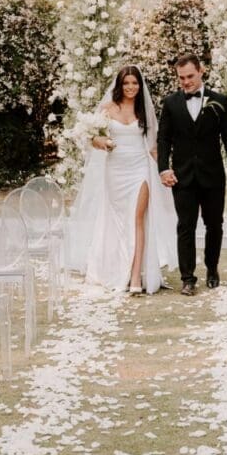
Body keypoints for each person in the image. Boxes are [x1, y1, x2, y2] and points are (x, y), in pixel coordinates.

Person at [71, 64, 177, 295]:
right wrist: (101, 142)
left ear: (140, 86)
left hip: (140, 169)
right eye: (126, 83)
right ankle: (118, 268)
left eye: (135, 83)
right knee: (117, 219)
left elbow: (153, 146)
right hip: (115, 170)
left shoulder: (144, 112)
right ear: (120, 85)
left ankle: (137, 274)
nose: (131, 87)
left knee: (137, 218)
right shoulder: (108, 108)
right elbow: (91, 138)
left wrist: (164, 169)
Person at [157, 52, 227, 295]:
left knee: (215, 224)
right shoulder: (171, 103)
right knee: (185, 226)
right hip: (182, 176)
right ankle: (187, 278)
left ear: (201, 71)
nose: (185, 82)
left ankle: (212, 269)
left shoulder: (219, 100)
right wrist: (164, 168)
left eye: (190, 76)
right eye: (181, 78)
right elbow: (163, 139)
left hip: (212, 174)